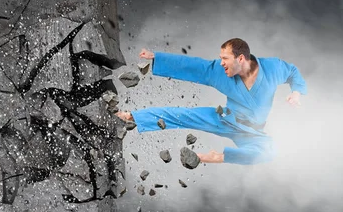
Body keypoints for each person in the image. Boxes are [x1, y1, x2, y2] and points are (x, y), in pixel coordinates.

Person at [115, 38, 307, 165]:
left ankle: (220, 157)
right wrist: (157, 57)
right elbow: (196, 67)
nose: (221, 62)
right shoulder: (220, 72)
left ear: (241, 58)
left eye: (225, 58)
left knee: (268, 153)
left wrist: (296, 92)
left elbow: (292, 72)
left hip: (252, 133)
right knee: (183, 116)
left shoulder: (272, 68)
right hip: (226, 119)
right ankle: (134, 117)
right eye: (220, 58)